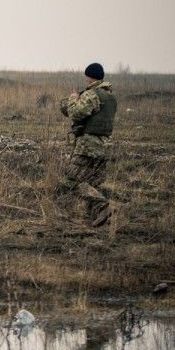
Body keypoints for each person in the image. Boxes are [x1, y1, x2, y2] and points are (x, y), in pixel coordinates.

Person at [58, 62, 116, 227]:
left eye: (86, 77)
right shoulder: (110, 95)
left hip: (88, 146)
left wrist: (72, 99)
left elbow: (76, 113)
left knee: (71, 181)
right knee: (92, 183)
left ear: (89, 77)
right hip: (104, 146)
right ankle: (95, 219)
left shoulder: (92, 94)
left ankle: (103, 206)